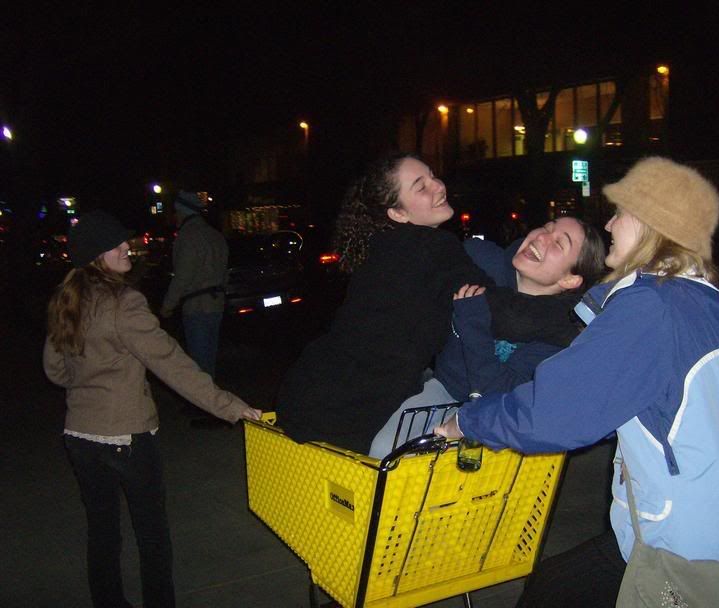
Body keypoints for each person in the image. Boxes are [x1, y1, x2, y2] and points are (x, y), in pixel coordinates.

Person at [435, 157, 719, 606]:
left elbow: (557, 413)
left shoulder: (650, 309)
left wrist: (466, 423)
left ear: (651, 224)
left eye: (621, 212)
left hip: (681, 541)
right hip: (715, 525)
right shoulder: (693, 300)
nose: (611, 221)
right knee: (556, 588)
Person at [44, 210, 262, 608]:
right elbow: (172, 364)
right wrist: (230, 406)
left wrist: (91, 379)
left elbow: (55, 370)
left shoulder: (65, 301)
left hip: (79, 436)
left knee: (102, 531)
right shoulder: (124, 303)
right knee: (152, 535)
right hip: (126, 436)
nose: (128, 246)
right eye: (116, 244)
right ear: (97, 254)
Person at [275, 152, 490, 454]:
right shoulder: (435, 247)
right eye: (421, 186)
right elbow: (496, 305)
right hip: (353, 407)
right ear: (398, 213)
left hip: (307, 393)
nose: (438, 186)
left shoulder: (380, 251)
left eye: (432, 175)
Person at [369, 216, 607, 457]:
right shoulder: (482, 263)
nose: (542, 237)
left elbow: (499, 392)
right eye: (546, 227)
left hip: (499, 417)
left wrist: (473, 322)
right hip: (444, 392)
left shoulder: (560, 331)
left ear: (570, 279)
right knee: (385, 450)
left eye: (559, 243)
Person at [160, 190, 227, 379]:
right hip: (216, 304)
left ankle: (202, 404)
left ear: (181, 212)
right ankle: (211, 400)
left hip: (197, 306)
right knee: (209, 358)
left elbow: (182, 276)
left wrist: (167, 306)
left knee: (198, 362)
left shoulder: (188, 237)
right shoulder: (215, 235)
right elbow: (224, 272)